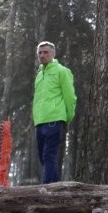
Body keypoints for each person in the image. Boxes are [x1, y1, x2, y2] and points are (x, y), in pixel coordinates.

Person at [33, 41, 76, 183]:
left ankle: (47, 189)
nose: (42, 55)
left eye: (45, 52)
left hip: (55, 119)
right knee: (43, 156)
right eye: (40, 52)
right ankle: (55, 186)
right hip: (39, 121)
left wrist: (68, 118)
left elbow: (70, 97)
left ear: (53, 54)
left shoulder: (62, 71)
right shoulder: (39, 74)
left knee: (48, 155)